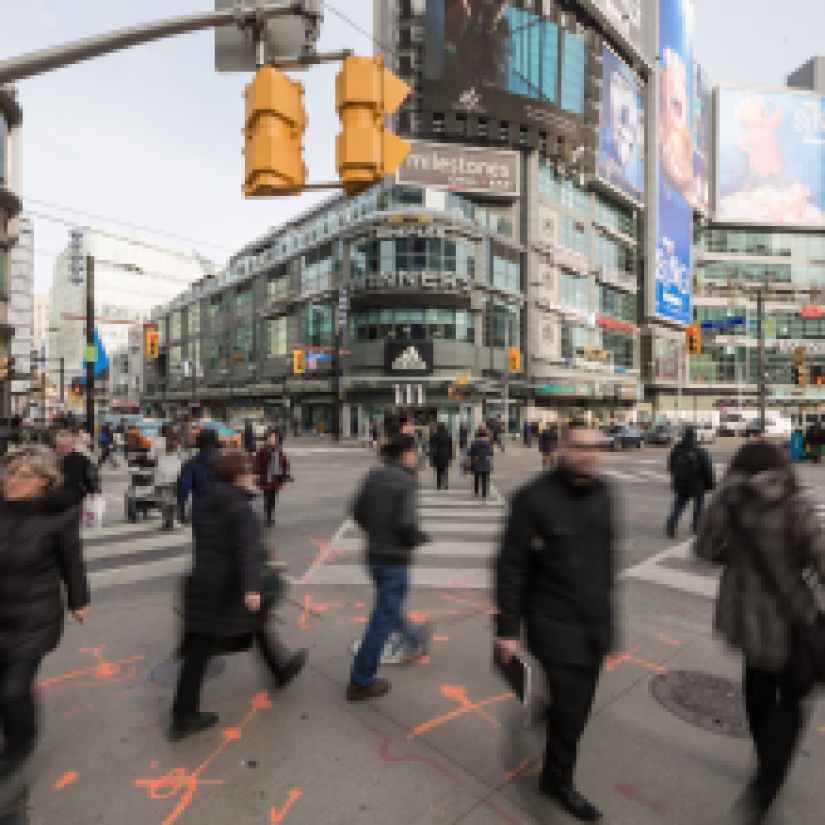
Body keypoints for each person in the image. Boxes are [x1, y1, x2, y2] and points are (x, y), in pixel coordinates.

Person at [695, 441, 825, 823]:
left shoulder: (730, 502)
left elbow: (704, 549)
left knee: (757, 695)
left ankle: (765, 768)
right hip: (791, 623)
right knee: (790, 704)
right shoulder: (795, 505)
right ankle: (767, 781)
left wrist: (732, 552)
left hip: (750, 625)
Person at [495, 422, 616, 822]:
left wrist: (608, 622)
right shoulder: (533, 499)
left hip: (592, 624)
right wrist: (508, 629)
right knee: (573, 712)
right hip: (553, 623)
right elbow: (511, 566)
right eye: (579, 446)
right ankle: (558, 780)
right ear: (562, 447)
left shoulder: (603, 494)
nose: (588, 454)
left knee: (574, 706)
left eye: (594, 447)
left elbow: (606, 563)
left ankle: (555, 728)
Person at [171, 451, 307, 741]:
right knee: (202, 649)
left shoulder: (206, 500)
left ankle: (280, 669)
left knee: (235, 631)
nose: (252, 474)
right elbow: (246, 551)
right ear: (237, 475)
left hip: (202, 581)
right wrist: (252, 588)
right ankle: (183, 716)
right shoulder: (240, 507)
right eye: (247, 470)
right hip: (226, 587)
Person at [0, 446, 90, 780]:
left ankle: (19, 743)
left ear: (43, 481)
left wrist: (79, 601)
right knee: (7, 688)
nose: (13, 481)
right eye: (11, 472)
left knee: (12, 689)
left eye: (24, 475)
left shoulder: (58, 516)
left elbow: (72, 562)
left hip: (33, 618)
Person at [347, 435, 431, 701]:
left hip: (374, 554)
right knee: (382, 619)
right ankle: (361, 679)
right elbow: (406, 523)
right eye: (415, 452)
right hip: (394, 558)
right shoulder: (407, 481)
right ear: (406, 454)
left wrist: (376, 531)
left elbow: (357, 510)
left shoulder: (374, 475)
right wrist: (417, 538)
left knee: (388, 606)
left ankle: (415, 637)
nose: (417, 457)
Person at [665, 426, 714, 538]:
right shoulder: (699, 451)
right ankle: (696, 527)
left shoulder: (676, 450)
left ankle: (671, 525)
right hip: (697, 483)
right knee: (698, 506)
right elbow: (707, 469)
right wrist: (710, 483)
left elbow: (670, 467)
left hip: (681, 482)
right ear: (694, 437)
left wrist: (677, 477)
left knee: (679, 505)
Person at [177, 428, 219, 529]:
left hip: (201, 513)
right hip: (223, 512)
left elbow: (183, 489)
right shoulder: (226, 462)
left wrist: (182, 511)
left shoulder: (191, 465)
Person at [254, 429, 290, 527]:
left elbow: (284, 463)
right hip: (266, 478)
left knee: (273, 499)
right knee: (267, 498)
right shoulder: (263, 450)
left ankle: (271, 515)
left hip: (275, 479)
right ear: (267, 439)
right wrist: (257, 474)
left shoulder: (279, 450)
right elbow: (257, 463)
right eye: (271, 438)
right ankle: (267, 517)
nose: (272, 440)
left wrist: (286, 473)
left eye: (274, 438)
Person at [53, 430, 98, 510]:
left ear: (72, 445)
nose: (63, 449)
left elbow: (92, 480)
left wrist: (93, 493)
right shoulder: (49, 460)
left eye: (66, 446)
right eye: (60, 446)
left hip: (75, 503)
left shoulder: (83, 460)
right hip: (52, 502)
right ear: (56, 445)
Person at [469, 427, 494, 500]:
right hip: (486, 462)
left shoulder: (474, 443)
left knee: (476, 478)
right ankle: (484, 494)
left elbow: (471, 452)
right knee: (484, 478)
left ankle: (476, 492)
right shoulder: (488, 443)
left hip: (477, 462)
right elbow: (491, 453)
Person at [429, 422, 454, 491]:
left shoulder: (435, 436)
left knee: (439, 471)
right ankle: (445, 484)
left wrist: (431, 456)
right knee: (445, 471)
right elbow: (450, 447)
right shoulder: (448, 436)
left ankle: (439, 485)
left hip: (438, 455)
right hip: (445, 454)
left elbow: (432, 446)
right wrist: (450, 456)